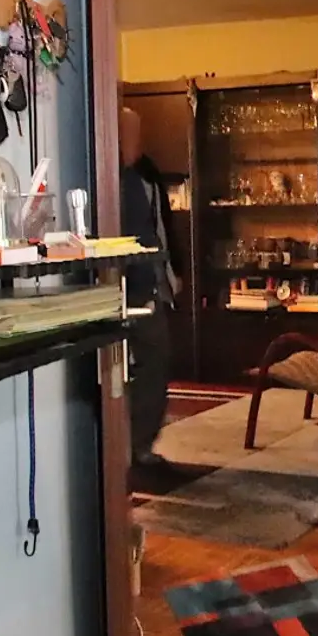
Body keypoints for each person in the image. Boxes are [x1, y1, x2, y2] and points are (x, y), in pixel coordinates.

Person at [119, 105, 182, 464]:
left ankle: (139, 442)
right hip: (122, 285)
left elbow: (161, 228)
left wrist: (172, 272)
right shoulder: (106, 177)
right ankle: (131, 444)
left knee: (155, 360)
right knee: (143, 362)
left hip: (148, 283)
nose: (135, 142)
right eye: (129, 133)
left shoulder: (145, 174)